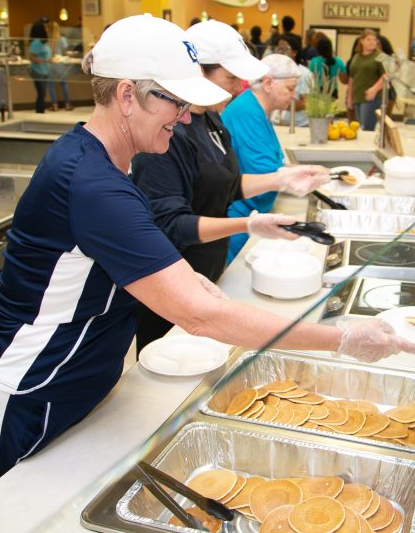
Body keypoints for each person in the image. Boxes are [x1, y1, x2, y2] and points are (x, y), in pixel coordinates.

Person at [0, 15, 415, 504]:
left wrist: (213, 279)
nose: (183, 118)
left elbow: (165, 268)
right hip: (28, 387)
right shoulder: (92, 184)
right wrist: (343, 340)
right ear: (126, 96)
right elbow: (199, 317)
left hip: (78, 381)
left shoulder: (108, 162)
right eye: (175, 103)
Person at [130, 19, 330, 351]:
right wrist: (249, 224)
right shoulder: (168, 135)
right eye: (229, 78)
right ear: (196, 72)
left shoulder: (211, 119)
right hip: (176, 280)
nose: (238, 88)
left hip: (211, 269)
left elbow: (227, 185)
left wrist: (283, 177)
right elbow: (170, 224)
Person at [223, 53, 305, 261]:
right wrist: (299, 176)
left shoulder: (257, 110)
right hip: (240, 220)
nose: (294, 95)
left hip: (253, 215)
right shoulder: (246, 111)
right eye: (290, 88)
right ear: (268, 83)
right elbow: (263, 171)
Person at [346, 29, 388, 132]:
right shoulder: (356, 57)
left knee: (366, 128)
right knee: (359, 127)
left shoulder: (380, 56)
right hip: (357, 97)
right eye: (368, 39)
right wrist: (349, 97)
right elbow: (352, 78)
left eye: (374, 40)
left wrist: (374, 89)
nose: (372, 42)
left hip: (371, 98)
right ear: (362, 41)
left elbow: (386, 75)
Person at [308, 34, 346, 99]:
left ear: (318, 49)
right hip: (333, 92)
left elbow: (310, 79)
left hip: (318, 91)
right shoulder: (338, 61)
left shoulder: (314, 61)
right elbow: (344, 80)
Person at [27, 18, 51, 114]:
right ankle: (39, 112)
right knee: (41, 93)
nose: (47, 29)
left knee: (43, 93)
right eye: (45, 27)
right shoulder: (36, 42)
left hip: (44, 70)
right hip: (37, 71)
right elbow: (32, 58)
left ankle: (41, 111)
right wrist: (46, 60)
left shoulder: (43, 43)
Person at [47, 21, 71, 111]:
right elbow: (65, 52)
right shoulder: (62, 39)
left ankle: (55, 105)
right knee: (64, 84)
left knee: (51, 85)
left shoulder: (47, 40)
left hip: (50, 64)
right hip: (60, 64)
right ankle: (67, 104)